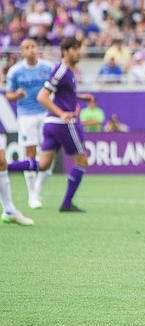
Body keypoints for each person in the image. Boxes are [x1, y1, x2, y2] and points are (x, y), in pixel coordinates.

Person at [8, 37, 94, 213]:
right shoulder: (62, 71)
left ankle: (5, 167)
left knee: (43, 164)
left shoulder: (67, 71)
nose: (79, 53)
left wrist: (80, 98)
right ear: (66, 51)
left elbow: (61, 94)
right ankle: (67, 203)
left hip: (50, 124)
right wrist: (62, 113)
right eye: (75, 49)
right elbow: (42, 96)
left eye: (79, 49)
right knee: (82, 161)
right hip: (62, 123)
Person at [5, 39, 54, 209]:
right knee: (30, 152)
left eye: (33, 46)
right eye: (27, 47)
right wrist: (17, 94)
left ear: (37, 49)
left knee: (49, 152)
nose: (31, 50)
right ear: (22, 52)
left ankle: (37, 189)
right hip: (26, 115)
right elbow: (8, 94)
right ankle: (32, 193)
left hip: (46, 113)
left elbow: (57, 87)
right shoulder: (15, 71)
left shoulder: (47, 67)